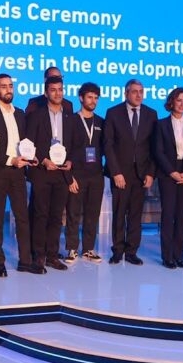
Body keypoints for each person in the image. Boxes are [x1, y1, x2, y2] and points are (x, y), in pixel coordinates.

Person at [0, 73, 37, 276]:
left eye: (10, 86)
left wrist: (31, 157)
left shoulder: (20, 113)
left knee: (22, 217)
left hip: (18, 172)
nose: (8, 89)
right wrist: (9, 159)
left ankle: (25, 260)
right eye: (3, 86)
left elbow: (26, 142)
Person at [103, 79, 157, 265]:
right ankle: (118, 250)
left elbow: (154, 148)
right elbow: (108, 145)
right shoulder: (113, 113)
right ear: (126, 93)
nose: (138, 95)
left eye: (141, 91)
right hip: (120, 173)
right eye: (134, 91)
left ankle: (132, 251)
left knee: (135, 214)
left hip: (141, 174)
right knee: (119, 213)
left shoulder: (151, 114)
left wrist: (150, 173)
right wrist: (115, 172)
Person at [26, 75, 74, 272]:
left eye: (60, 89)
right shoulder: (36, 115)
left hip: (61, 173)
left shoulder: (70, 116)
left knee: (56, 216)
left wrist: (71, 161)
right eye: (53, 90)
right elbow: (28, 143)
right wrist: (43, 160)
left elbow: (75, 145)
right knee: (40, 215)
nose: (57, 93)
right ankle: (39, 255)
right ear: (46, 93)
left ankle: (52, 255)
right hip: (42, 172)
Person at [154, 88, 183, 269]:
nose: (182, 104)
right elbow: (158, 151)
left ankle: (178, 255)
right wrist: (172, 172)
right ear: (171, 101)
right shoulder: (161, 124)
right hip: (168, 173)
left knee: (182, 216)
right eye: (179, 100)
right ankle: (167, 256)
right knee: (168, 215)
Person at [65, 82, 105, 263]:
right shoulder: (71, 120)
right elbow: (65, 149)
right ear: (81, 98)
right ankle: (72, 249)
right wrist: (69, 177)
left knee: (92, 213)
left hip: (96, 175)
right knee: (73, 212)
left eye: (96, 98)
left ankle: (88, 249)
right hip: (77, 175)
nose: (93, 101)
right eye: (90, 97)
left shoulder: (101, 122)